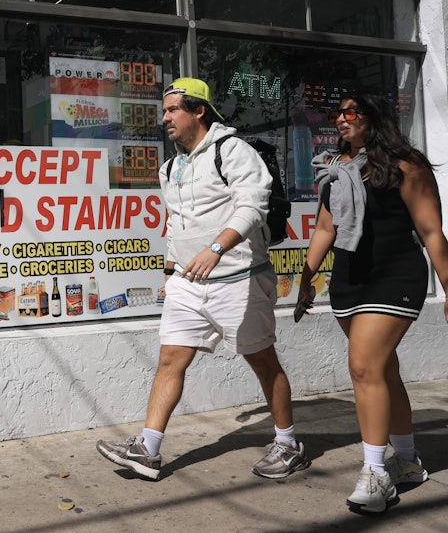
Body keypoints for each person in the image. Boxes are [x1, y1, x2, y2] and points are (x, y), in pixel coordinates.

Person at [96, 77, 308, 481]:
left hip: (239, 277)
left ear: (199, 111)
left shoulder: (233, 151)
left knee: (262, 361)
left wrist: (216, 249)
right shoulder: (171, 167)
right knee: (170, 359)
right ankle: (148, 449)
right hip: (187, 283)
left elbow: (252, 206)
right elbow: (177, 224)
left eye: (173, 110)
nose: (165, 119)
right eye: (164, 111)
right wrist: (170, 268)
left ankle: (288, 444)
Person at [296, 92, 448, 514]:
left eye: (350, 113)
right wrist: (307, 277)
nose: (341, 120)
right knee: (383, 370)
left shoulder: (406, 165)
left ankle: (376, 472)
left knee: (363, 366)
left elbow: (431, 231)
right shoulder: (337, 169)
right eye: (336, 114)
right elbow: (326, 228)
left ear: (372, 119)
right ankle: (408, 462)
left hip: (396, 275)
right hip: (349, 282)